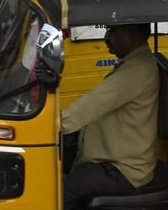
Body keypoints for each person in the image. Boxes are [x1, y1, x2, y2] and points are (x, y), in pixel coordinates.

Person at [60, 23, 159, 210]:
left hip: (122, 169)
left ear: (131, 33)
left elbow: (95, 102)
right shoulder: (136, 62)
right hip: (117, 157)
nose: (106, 37)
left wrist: (54, 124)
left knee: (60, 193)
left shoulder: (136, 70)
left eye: (112, 31)